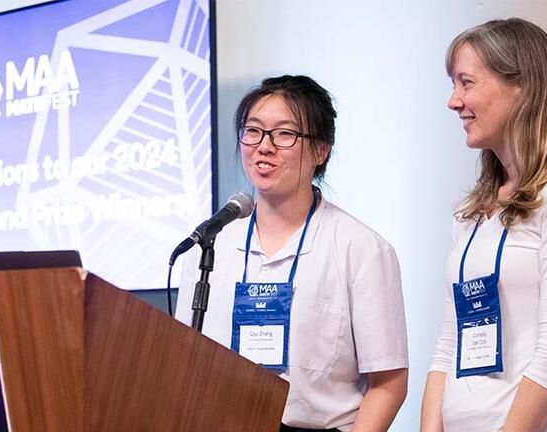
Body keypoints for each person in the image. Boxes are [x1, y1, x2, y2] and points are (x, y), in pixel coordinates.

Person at [175, 75, 408, 432]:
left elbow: (388, 382)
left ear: (321, 150)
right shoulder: (209, 247)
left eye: (285, 134)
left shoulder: (361, 250)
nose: (264, 146)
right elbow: (185, 366)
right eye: (253, 131)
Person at [421, 18, 547, 431]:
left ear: (522, 87)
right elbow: (447, 347)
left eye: (466, 82)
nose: (453, 101)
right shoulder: (473, 211)